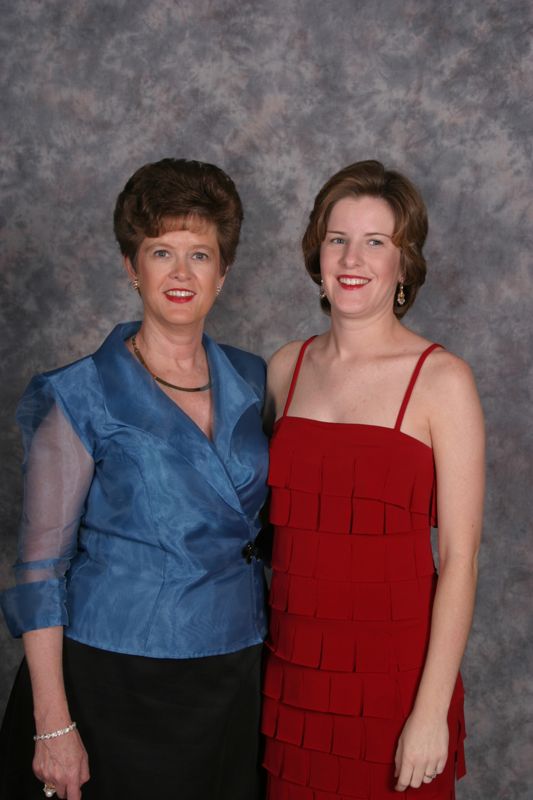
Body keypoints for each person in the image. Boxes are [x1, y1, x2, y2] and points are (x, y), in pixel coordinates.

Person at [0, 158, 269, 800]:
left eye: (199, 255)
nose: (181, 273)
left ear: (223, 273)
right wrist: (52, 725)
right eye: (160, 252)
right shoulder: (80, 394)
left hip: (236, 670)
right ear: (131, 267)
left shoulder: (256, 379)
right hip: (114, 679)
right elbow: (40, 569)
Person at [261, 160, 484, 798]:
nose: (352, 258)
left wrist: (430, 712)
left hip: (394, 687)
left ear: (403, 264)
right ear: (317, 255)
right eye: (338, 239)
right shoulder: (286, 368)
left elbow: (462, 560)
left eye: (376, 242)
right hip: (294, 681)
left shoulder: (444, 381)